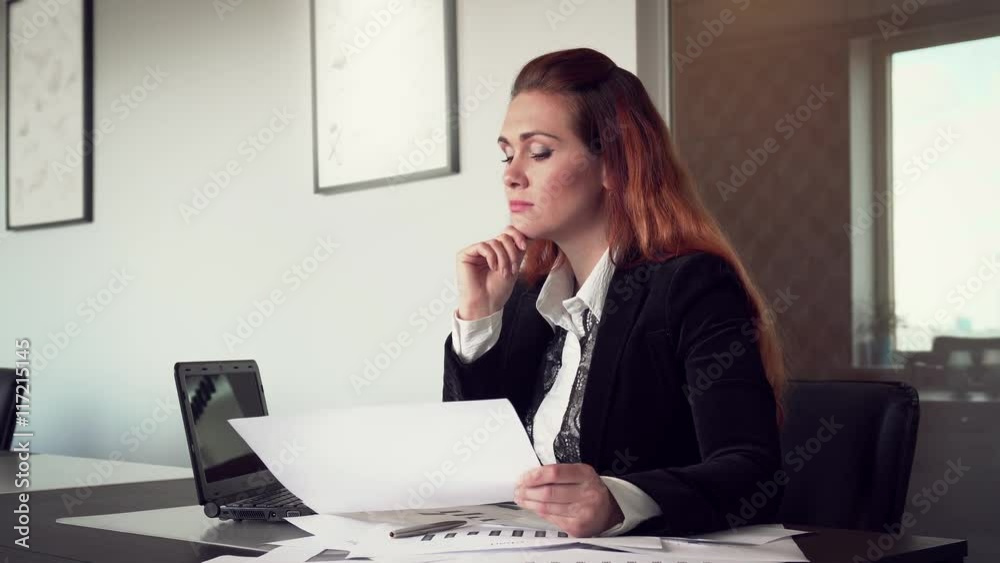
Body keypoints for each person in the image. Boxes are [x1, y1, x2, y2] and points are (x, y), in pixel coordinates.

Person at [442, 47, 786, 538]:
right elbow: (469, 462)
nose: (511, 174)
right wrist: (479, 318)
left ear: (614, 165)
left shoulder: (692, 285)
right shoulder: (523, 298)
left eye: (539, 152)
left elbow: (753, 472)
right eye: (507, 153)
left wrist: (618, 500)